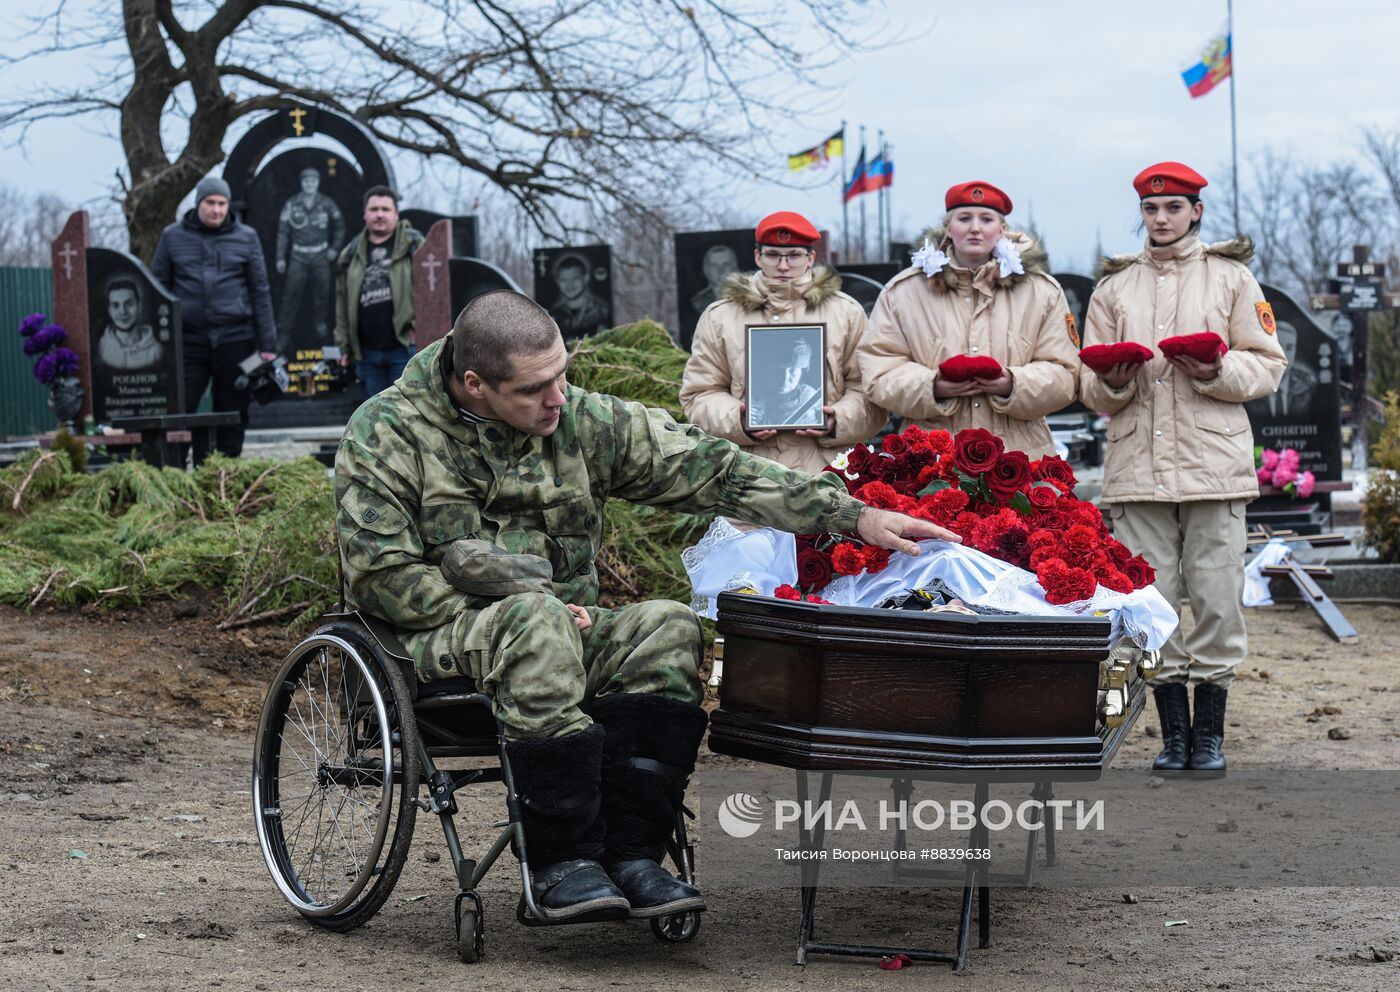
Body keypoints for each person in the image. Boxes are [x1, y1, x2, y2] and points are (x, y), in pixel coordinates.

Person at [335, 289, 954, 923]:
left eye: (562, 375)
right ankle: (562, 861)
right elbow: (379, 577)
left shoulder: (581, 420)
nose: (557, 398)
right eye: (533, 390)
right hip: (430, 639)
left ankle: (632, 854)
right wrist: (519, 601)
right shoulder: (386, 432)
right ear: (474, 385)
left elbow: (715, 472)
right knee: (537, 624)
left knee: (667, 626)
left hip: (561, 632)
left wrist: (854, 516)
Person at [1080, 161, 1287, 776]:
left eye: (1174, 208)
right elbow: (1088, 386)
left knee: (1219, 598)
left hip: (1213, 465)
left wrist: (1218, 371)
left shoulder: (1231, 278)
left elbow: (1268, 365)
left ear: (1196, 210)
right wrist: (1113, 382)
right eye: (1151, 208)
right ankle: (1173, 737)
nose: (1162, 218)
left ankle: (1210, 735)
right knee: (1153, 602)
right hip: (1138, 467)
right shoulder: (1114, 289)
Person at [681, 211, 887, 509]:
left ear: (810, 257)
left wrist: (837, 421)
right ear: (757, 256)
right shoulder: (721, 316)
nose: (782, 265)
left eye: (793, 255)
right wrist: (738, 420)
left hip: (828, 479)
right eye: (773, 254)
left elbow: (869, 393)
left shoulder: (846, 313)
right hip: (749, 481)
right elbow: (699, 394)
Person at [859, 181, 1079, 458]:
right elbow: (879, 371)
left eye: (986, 219)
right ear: (949, 228)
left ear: (1001, 230)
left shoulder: (1042, 291)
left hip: (1020, 458)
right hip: (931, 461)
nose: (975, 228)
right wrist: (932, 387)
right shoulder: (903, 292)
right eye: (964, 218)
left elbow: (1066, 374)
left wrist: (1012, 383)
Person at [152, 174, 277, 460]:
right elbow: (157, 288)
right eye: (211, 202)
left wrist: (268, 346)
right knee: (179, 410)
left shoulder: (246, 238)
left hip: (237, 339)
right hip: (187, 341)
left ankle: (226, 473)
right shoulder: (172, 237)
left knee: (233, 410)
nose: (217, 210)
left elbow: (260, 291)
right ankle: (174, 470)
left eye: (222, 203)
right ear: (198, 203)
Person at [333, 185, 424, 397]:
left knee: (408, 417)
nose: (379, 214)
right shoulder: (350, 253)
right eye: (374, 209)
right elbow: (341, 303)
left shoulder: (415, 245)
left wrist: (421, 329)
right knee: (376, 421)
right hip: (367, 355)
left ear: (396, 214)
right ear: (365, 214)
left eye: (385, 209)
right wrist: (343, 346)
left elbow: (433, 291)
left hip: (404, 349)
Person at [276, 166, 345, 351]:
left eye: (313, 181)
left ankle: (320, 324)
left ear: (318, 182)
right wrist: (280, 257)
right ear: (301, 183)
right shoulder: (292, 203)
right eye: (306, 181)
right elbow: (283, 232)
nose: (309, 184)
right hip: (298, 255)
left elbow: (340, 226)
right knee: (290, 295)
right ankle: (283, 334)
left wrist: (334, 249)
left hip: (320, 255)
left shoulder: (327, 203)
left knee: (322, 292)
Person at [749, 336, 823, 427]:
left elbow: (828, 419)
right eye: (778, 371)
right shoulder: (756, 403)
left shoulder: (810, 395)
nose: (784, 379)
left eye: (793, 371)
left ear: (802, 372)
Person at [96, 278, 162, 370]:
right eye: (115, 305)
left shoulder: (156, 351)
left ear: (139, 307)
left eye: (129, 304)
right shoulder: (100, 348)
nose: (123, 312)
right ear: (109, 310)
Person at [547, 253, 611, 337]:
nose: (569, 285)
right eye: (563, 280)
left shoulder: (603, 311)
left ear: (586, 278)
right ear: (557, 281)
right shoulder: (552, 315)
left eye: (575, 278)